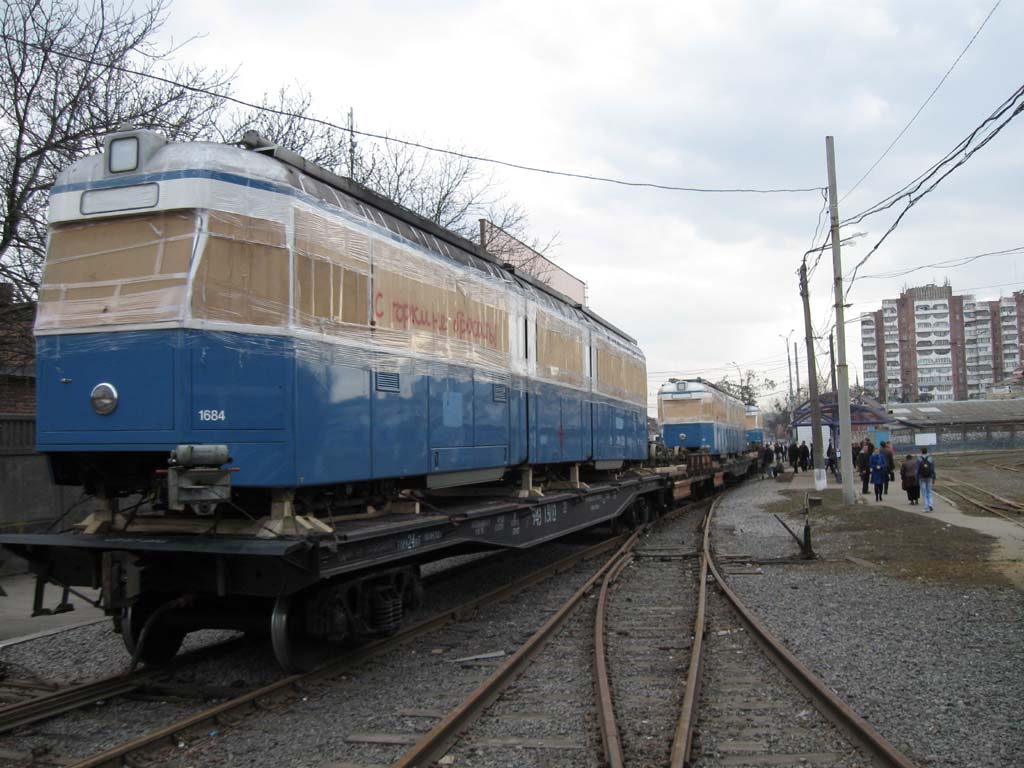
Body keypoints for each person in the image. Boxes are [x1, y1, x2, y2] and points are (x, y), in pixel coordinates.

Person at [917, 447, 936, 512]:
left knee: (924, 493)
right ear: (927, 451)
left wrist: (916, 478)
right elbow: (933, 469)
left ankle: (926, 507)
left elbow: (917, 470)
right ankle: (930, 504)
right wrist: (934, 477)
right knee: (929, 492)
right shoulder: (931, 458)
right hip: (929, 477)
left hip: (921, 477)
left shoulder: (919, 459)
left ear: (921, 451)